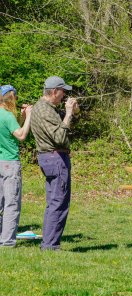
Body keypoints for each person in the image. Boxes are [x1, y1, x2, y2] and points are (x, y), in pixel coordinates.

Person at [31, 76, 79, 251]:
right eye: (62, 91)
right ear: (53, 91)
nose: (64, 95)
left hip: (50, 158)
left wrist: (73, 111)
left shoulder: (47, 108)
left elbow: (65, 125)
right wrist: (67, 113)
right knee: (59, 202)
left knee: (54, 202)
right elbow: (59, 137)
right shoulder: (45, 111)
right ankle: (50, 245)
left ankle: (49, 243)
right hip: (55, 158)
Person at [0, 85, 32, 247]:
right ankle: (7, 242)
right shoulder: (7, 116)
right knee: (11, 203)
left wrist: (20, 118)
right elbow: (20, 135)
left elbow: (8, 132)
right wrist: (29, 117)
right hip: (9, 163)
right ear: (12, 99)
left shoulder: (3, 116)